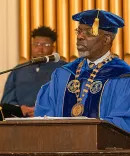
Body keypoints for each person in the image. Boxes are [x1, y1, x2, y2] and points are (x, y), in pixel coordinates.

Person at [34, 9, 130, 133]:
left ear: (106, 39)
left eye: (89, 33)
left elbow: (123, 122)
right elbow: (44, 114)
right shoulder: (63, 74)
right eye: (79, 31)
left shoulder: (122, 77)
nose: (80, 37)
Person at [1, 26, 66, 117]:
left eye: (46, 45)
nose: (40, 49)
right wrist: (19, 109)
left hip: (52, 120)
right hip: (21, 122)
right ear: (31, 46)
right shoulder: (19, 70)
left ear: (53, 47)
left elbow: (66, 97)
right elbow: (7, 100)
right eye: (37, 44)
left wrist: (42, 110)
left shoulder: (63, 69)